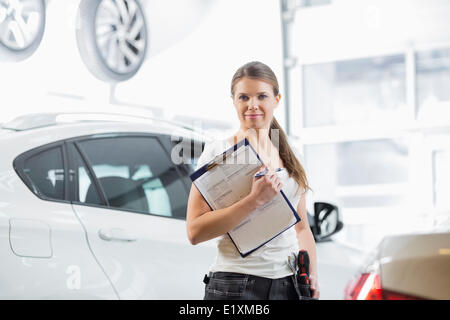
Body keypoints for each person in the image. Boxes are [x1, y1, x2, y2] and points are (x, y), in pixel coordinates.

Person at [186, 61, 319, 300]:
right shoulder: (219, 152)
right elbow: (195, 231)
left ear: (277, 99)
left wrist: (312, 275)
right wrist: (254, 200)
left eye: (262, 96)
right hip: (236, 285)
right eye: (244, 97)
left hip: (288, 285)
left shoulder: (292, 156)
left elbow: (301, 227)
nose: (252, 105)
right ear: (233, 101)